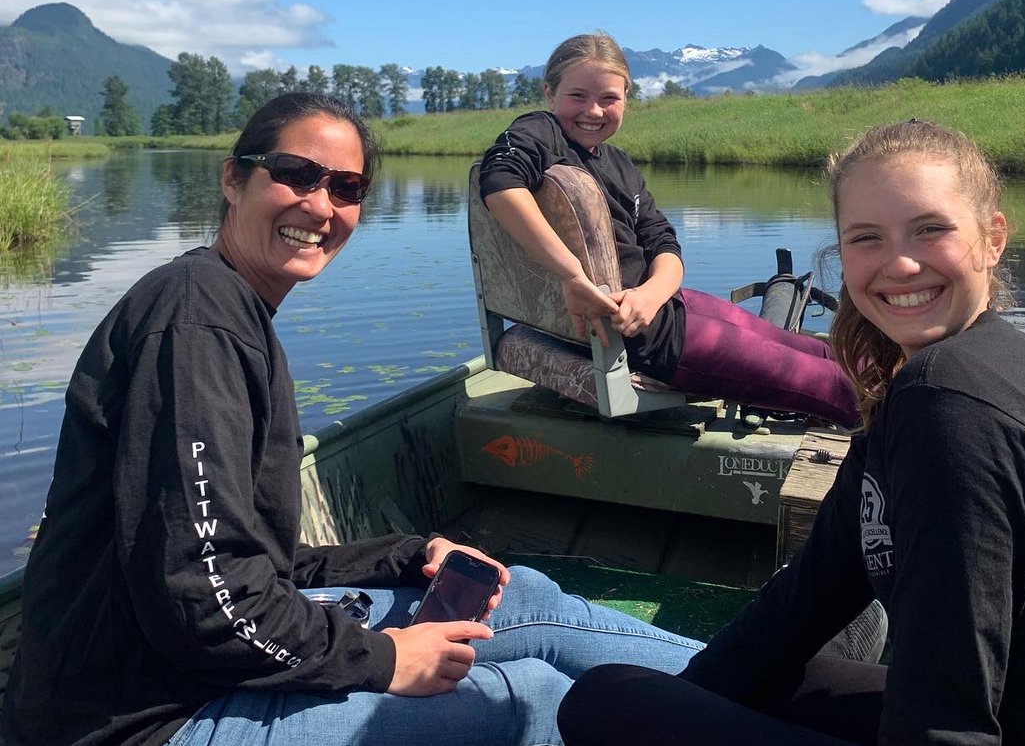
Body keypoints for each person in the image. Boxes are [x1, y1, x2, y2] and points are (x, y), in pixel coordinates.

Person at [1, 92, 702, 746]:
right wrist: (381, 656)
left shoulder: (230, 308)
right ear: (232, 179)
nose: (320, 203)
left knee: (521, 601)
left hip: (202, 662)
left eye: (346, 187)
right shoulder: (196, 324)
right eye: (296, 173)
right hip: (148, 715)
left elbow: (256, 563)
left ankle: (749, 692)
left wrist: (407, 552)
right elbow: (206, 598)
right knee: (531, 697)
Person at [558, 119, 1025, 745]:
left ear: (993, 238)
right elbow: (813, 590)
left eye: (931, 229)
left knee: (602, 702)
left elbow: (948, 708)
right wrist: (684, 702)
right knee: (762, 680)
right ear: (842, 252)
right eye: (867, 238)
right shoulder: (952, 373)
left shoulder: (953, 404)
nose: (900, 265)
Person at [479, 32, 857, 427]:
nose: (593, 110)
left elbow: (664, 243)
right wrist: (572, 276)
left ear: (626, 97)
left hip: (664, 304)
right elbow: (499, 180)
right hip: (649, 337)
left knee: (824, 352)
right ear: (549, 94)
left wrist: (652, 293)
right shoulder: (542, 132)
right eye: (577, 96)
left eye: (609, 98)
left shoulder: (621, 165)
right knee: (835, 387)